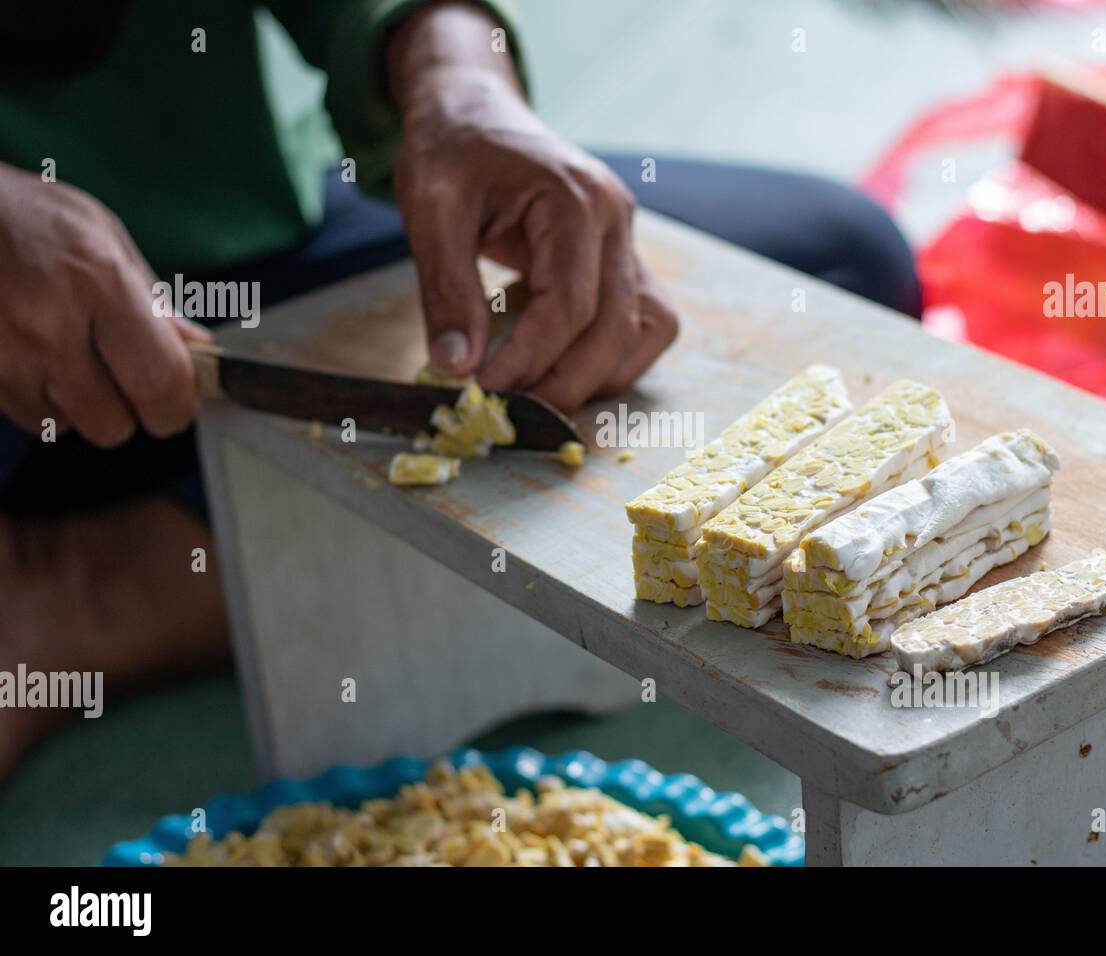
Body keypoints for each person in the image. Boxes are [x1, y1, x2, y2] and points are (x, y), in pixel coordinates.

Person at [0, 1, 918, 780]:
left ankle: (106, 579)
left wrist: (449, 64)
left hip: (246, 240)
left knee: (838, 261)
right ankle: (94, 581)